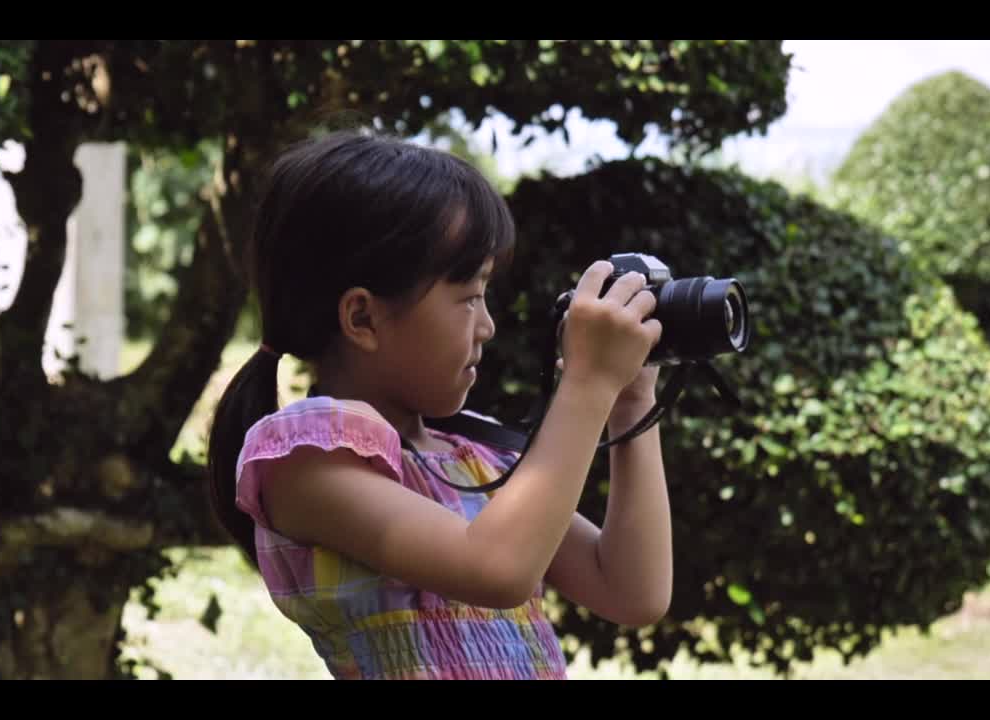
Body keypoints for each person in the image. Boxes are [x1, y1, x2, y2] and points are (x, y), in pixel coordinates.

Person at [207, 129, 673, 680]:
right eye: (469, 297)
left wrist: (630, 402)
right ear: (363, 318)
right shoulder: (304, 460)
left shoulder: (471, 458)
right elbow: (496, 569)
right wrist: (588, 384)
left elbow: (631, 591)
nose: (488, 325)